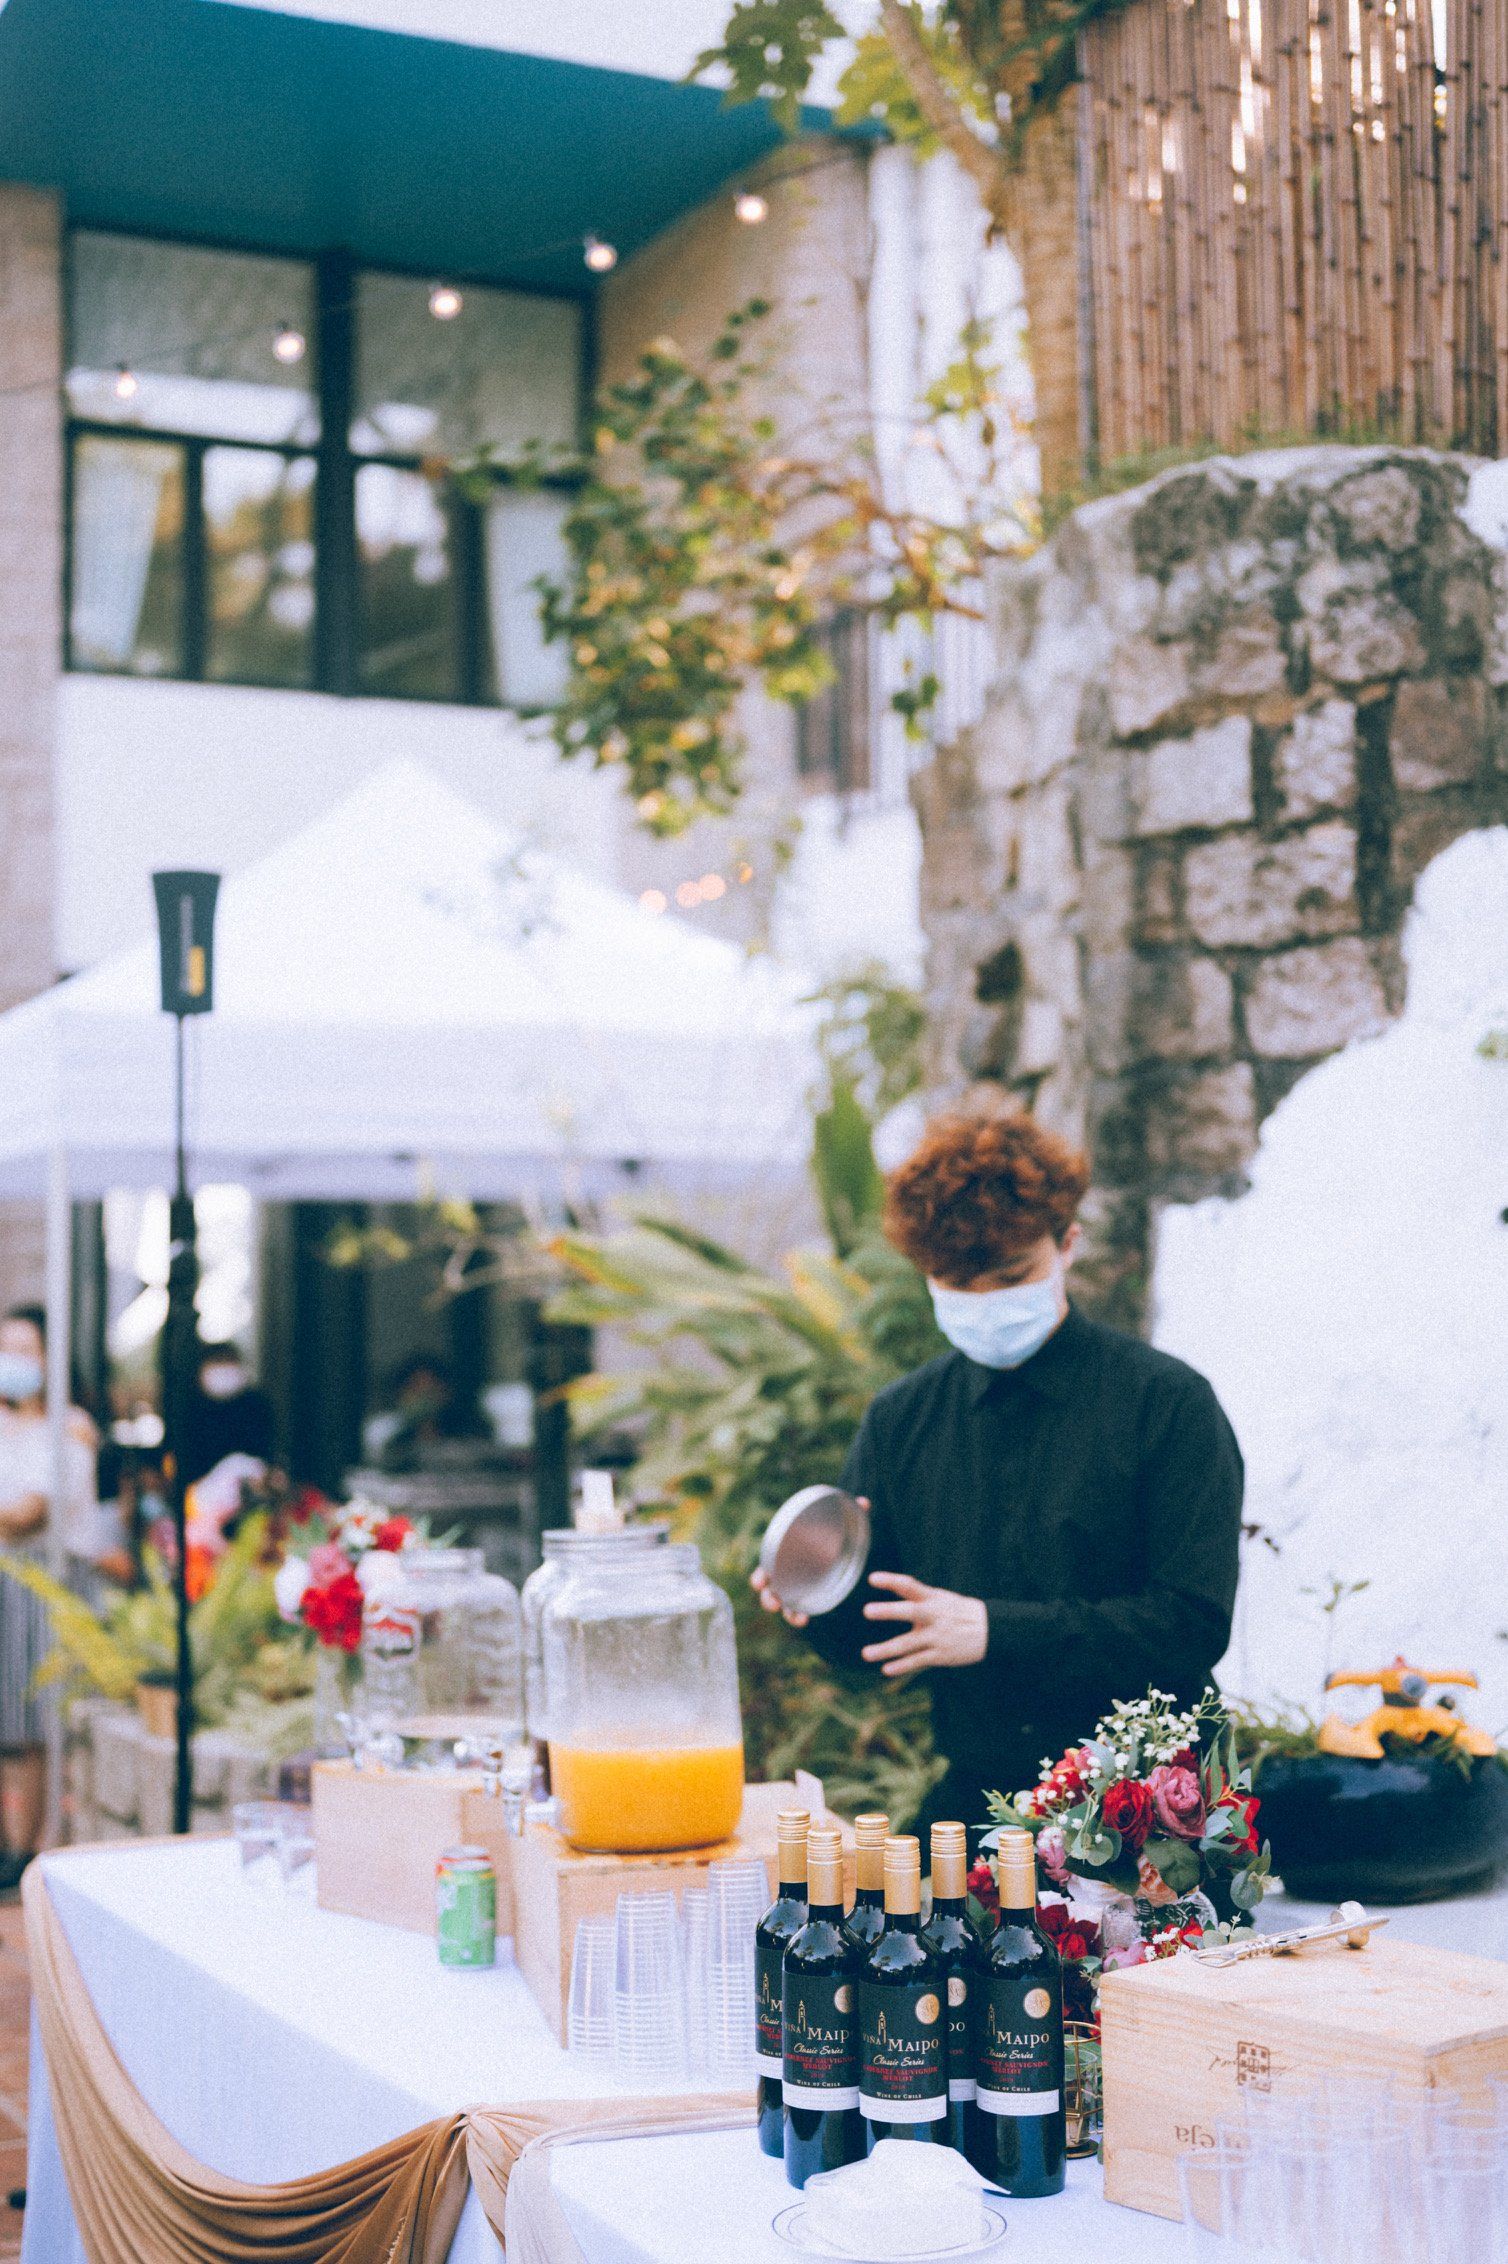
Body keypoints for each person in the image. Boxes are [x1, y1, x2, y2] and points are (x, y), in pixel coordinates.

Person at [754, 1110, 1244, 1840]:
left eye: (1012, 1277)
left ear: (1067, 1243)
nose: (986, 1306)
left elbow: (1191, 1624)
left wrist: (995, 1631)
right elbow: (880, 1640)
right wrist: (815, 1598)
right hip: (982, 1804)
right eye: (958, 1284)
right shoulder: (901, 1420)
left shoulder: (1166, 1405)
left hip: (1154, 1811)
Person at [0, 1304, 102, 1888]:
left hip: (46, 1585)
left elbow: (30, 1514)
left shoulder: (70, 1427)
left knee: (30, 1724)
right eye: (5, 1349)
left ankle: (27, 1850)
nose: (12, 1361)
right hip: (10, 1578)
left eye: (25, 1349)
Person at [180, 1343, 277, 1487]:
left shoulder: (256, 1405)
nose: (223, 1369)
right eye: (217, 1361)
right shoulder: (190, 1408)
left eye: (228, 1361)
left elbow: (266, 1451)